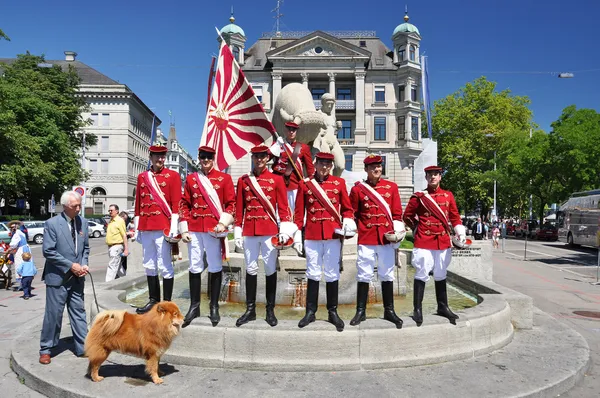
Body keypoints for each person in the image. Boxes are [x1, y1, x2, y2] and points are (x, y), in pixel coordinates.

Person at [234, 145, 297, 327]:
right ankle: (250, 310)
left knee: (270, 270)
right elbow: (240, 209)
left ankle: (270, 310)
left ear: (267, 158)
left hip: (269, 232)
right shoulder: (244, 181)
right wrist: (238, 229)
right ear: (252, 158)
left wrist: (284, 231)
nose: (259, 159)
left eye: (262, 157)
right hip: (250, 232)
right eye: (256, 156)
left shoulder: (277, 180)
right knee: (251, 269)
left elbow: (284, 209)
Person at [293, 152, 355, 331]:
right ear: (316, 164)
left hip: (333, 235)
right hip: (312, 235)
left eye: (328, 164)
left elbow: (347, 209)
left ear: (332, 166)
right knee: (312, 272)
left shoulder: (339, 183)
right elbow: (299, 213)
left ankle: (332, 312)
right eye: (321, 164)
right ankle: (310, 312)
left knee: (332, 273)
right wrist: (297, 235)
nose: (324, 167)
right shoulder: (305, 185)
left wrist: (348, 222)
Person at [179, 145, 235, 327]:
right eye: (202, 157)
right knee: (194, 266)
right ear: (199, 157)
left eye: (209, 157)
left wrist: (223, 222)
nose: (205, 160)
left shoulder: (224, 179)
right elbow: (184, 204)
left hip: (213, 229)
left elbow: (231, 205)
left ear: (214, 158)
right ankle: (194, 306)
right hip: (195, 228)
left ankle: (213, 307)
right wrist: (184, 228)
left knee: (215, 266)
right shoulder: (191, 179)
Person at [403, 165, 465, 326]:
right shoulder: (419, 197)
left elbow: (455, 216)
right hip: (425, 240)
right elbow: (407, 216)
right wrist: (417, 228)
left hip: (443, 241)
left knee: (441, 273)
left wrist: (459, 230)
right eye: (430, 175)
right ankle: (417, 309)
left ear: (440, 177)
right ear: (426, 177)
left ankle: (442, 307)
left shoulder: (448, 195)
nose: (433, 177)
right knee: (422, 272)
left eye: (436, 174)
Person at [348, 154, 406, 328]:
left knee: (387, 274)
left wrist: (397, 231)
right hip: (366, 238)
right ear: (366, 169)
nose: (376, 169)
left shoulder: (392, 187)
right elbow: (353, 213)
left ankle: (389, 310)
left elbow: (397, 214)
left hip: (386, 238)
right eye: (372, 167)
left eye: (379, 166)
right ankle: (361, 311)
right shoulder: (358, 190)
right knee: (364, 274)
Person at [39, 190, 90, 364]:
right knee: (54, 314)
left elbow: (85, 249)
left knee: (79, 312)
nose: (79, 208)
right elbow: (48, 251)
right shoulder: (52, 224)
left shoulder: (83, 222)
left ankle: (83, 346)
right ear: (66, 206)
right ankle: (46, 348)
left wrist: (83, 263)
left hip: (77, 277)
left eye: (80, 205)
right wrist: (71, 265)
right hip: (58, 277)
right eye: (75, 206)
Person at [133, 145, 182, 314]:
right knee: (149, 264)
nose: (160, 159)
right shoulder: (142, 177)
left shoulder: (173, 176)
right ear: (150, 156)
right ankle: (153, 300)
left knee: (165, 264)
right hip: (146, 226)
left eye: (163, 156)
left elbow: (177, 204)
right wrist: (137, 226)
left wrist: (174, 227)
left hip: (163, 227)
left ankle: (167, 303)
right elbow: (138, 203)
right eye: (157, 156)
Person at [270, 121, 315, 212]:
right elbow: (266, 158)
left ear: (296, 132)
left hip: (294, 185)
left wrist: (308, 181)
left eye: (294, 130)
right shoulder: (279, 144)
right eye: (289, 130)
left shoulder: (303, 148)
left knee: (294, 213)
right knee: (278, 213)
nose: (291, 132)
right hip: (278, 183)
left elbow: (310, 169)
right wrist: (276, 145)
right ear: (285, 130)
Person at [105, 204, 129, 282]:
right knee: (118, 267)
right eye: (109, 210)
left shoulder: (119, 220)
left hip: (117, 246)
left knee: (112, 265)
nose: (110, 212)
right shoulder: (111, 220)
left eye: (111, 210)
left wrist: (126, 249)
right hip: (111, 247)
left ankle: (108, 284)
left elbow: (124, 235)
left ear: (117, 211)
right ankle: (126, 280)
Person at [8, 220, 30, 286]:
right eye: (11, 228)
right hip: (22, 249)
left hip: (21, 250)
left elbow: (13, 244)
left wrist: (9, 250)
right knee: (25, 265)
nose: (13, 229)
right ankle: (25, 282)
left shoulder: (18, 233)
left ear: (17, 226)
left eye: (14, 227)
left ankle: (23, 283)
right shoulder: (17, 233)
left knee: (20, 265)